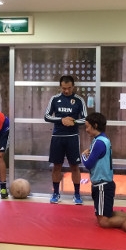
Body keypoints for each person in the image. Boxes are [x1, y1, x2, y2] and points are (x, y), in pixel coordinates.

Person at [44, 75, 87, 204]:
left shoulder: (79, 100)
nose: (66, 91)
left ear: (73, 87)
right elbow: (46, 116)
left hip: (72, 137)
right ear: (60, 87)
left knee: (74, 166)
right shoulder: (54, 99)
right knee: (56, 165)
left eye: (69, 88)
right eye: (64, 88)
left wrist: (74, 122)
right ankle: (56, 193)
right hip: (57, 137)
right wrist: (61, 120)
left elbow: (86, 119)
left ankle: (77, 194)